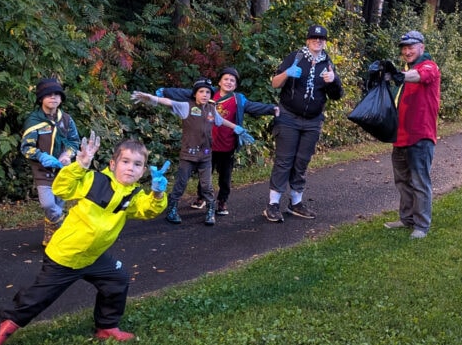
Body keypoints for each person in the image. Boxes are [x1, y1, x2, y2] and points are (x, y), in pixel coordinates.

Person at [0, 133, 170, 345]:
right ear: (113, 164)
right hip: (66, 256)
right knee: (35, 299)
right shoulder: (94, 180)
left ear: (144, 170)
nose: (130, 168)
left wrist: (158, 194)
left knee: (117, 280)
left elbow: (147, 211)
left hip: (93, 257)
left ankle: (107, 327)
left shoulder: (134, 194)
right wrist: (80, 165)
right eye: (126, 162)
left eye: (137, 164)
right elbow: (62, 188)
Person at [131, 79, 255, 226]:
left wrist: (237, 128)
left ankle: (210, 210)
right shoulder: (186, 107)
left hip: (206, 155)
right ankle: (172, 209)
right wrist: (152, 98)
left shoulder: (211, 109)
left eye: (207, 92)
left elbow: (220, 120)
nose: (204, 94)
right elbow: (169, 102)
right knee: (181, 183)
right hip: (188, 155)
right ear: (195, 94)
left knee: (207, 185)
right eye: (201, 91)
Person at [156, 67, 278, 216]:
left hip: (227, 146)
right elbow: (185, 93)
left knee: (225, 177)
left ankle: (222, 201)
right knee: (204, 175)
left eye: (232, 80)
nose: (228, 82)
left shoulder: (238, 99)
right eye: (226, 79)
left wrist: (272, 109)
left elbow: (254, 107)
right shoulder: (208, 93)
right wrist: (165, 92)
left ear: (236, 85)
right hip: (208, 145)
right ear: (219, 82)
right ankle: (201, 198)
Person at [263, 24, 343, 223]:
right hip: (288, 117)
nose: (318, 41)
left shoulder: (327, 63)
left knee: (302, 161)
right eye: (314, 38)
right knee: (284, 160)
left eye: (321, 39)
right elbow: (274, 83)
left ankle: (295, 202)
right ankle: (273, 204)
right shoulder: (295, 57)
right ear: (308, 40)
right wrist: (287, 73)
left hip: (312, 121)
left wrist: (333, 81)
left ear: (325, 42)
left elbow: (336, 96)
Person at [382, 30, 441, 239]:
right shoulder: (405, 70)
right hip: (400, 137)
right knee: (402, 181)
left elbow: (419, 76)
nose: (407, 51)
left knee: (419, 182)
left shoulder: (428, 66)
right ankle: (406, 219)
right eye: (404, 48)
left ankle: (421, 226)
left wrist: (399, 76)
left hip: (420, 137)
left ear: (422, 48)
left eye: (411, 47)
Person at [21, 77, 81, 246]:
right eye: (48, 95)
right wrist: (41, 156)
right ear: (41, 98)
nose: (53, 98)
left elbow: (74, 142)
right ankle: (67, 228)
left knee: (58, 205)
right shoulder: (34, 121)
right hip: (42, 171)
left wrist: (67, 155)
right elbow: (26, 148)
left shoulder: (67, 120)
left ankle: (51, 239)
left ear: (61, 99)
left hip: (62, 171)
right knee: (48, 204)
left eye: (57, 95)